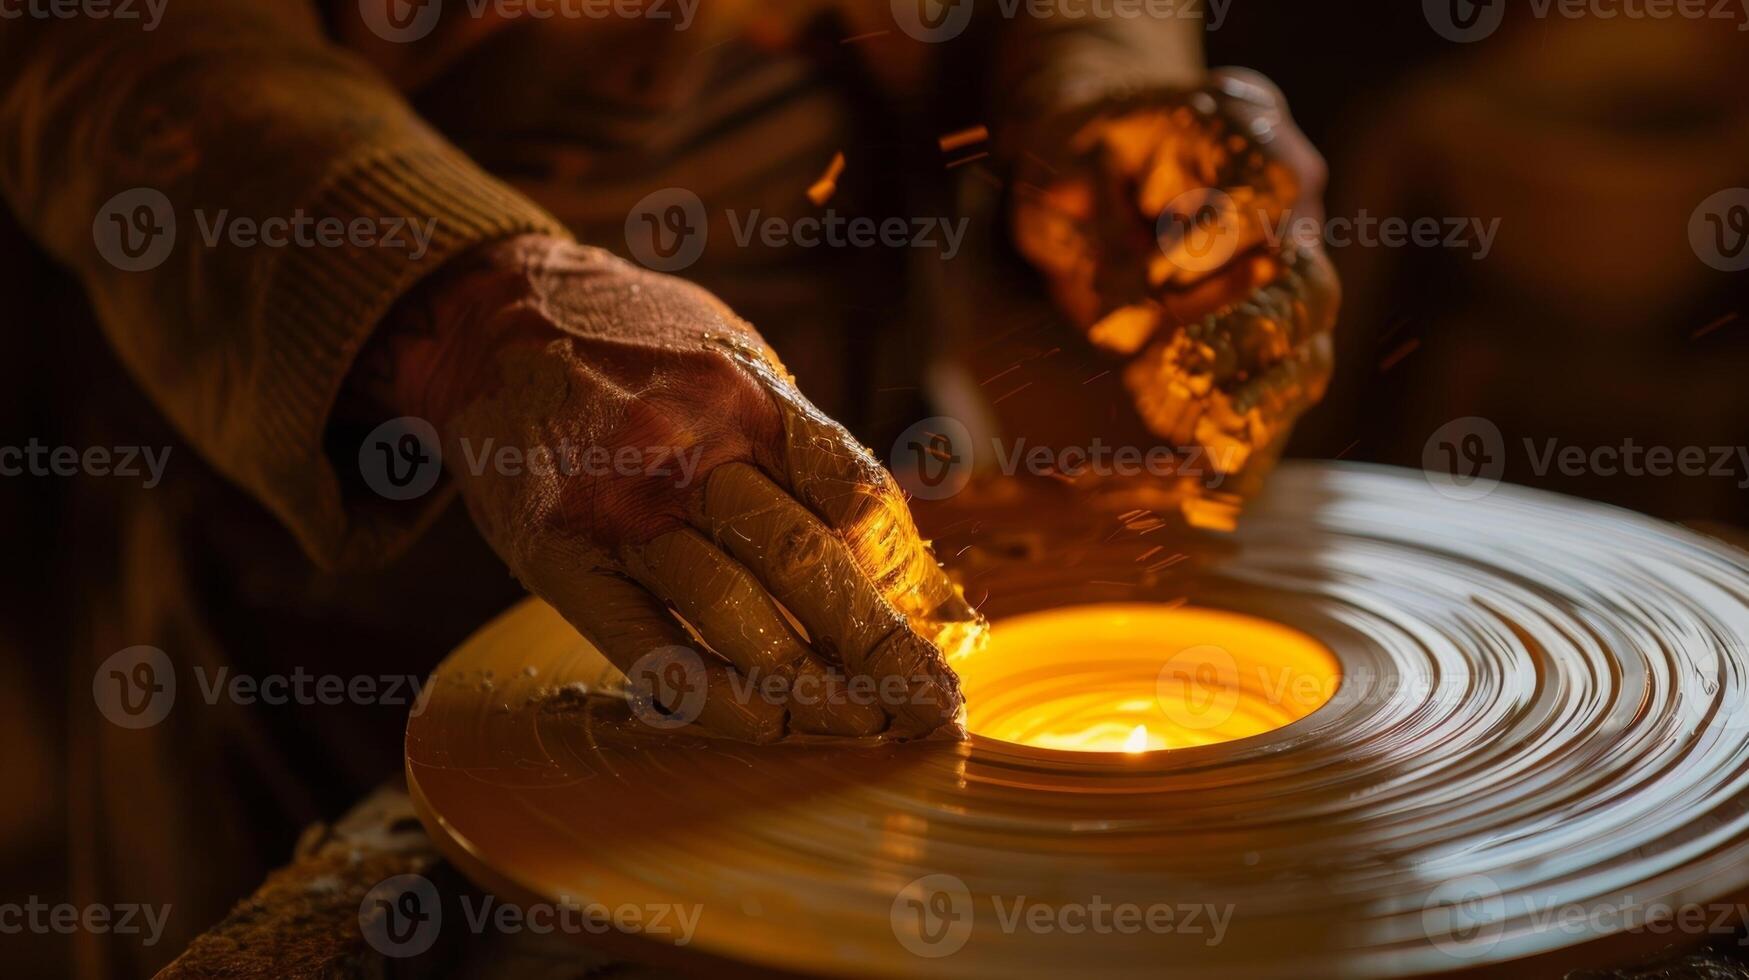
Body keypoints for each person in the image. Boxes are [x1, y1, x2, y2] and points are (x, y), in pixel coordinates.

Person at [0, 1, 1335, 972]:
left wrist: (1099, 81)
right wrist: (477, 326)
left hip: (875, 451)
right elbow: (95, 46)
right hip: (361, 535)